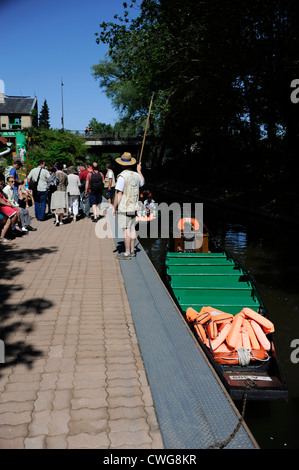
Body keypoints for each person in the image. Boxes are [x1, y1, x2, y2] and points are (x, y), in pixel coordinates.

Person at [113, 152, 145, 259]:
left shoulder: (122, 176)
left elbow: (119, 194)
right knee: (132, 228)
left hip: (124, 207)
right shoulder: (136, 175)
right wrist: (139, 171)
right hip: (134, 206)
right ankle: (132, 251)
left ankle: (127, 253)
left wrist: (114, 208)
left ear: (122, 164)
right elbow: (143, 182)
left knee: (126, 229)